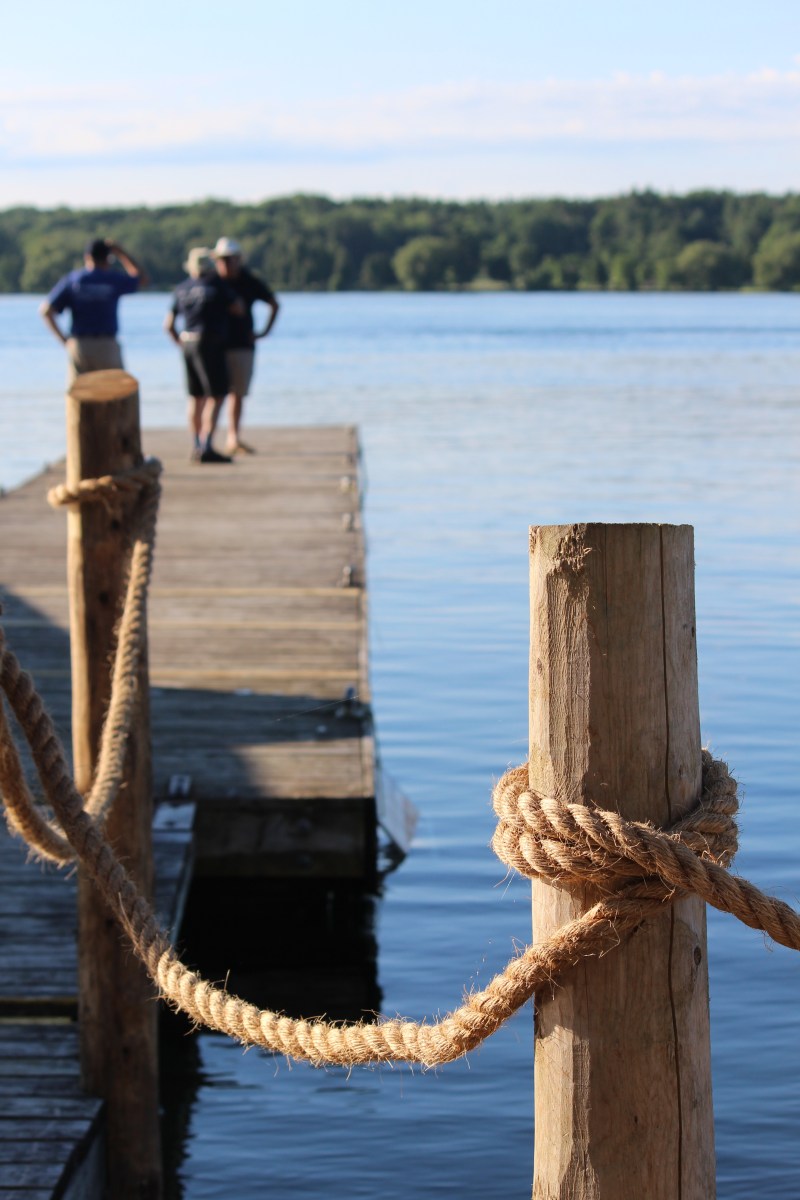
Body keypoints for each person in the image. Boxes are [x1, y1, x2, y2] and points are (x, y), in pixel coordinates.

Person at [165, 247, 243, 464]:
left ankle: (195, 445)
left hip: (187, 342)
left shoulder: (181, 288)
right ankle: (206, 445)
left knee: (195, 397)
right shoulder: (217, 284)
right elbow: (237, 308)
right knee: (217, 395)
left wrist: (180, 344)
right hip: (209, 342)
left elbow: (168, 325)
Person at [40, 238, 148, 383]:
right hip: (107, 345)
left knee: (80, 396)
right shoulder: (112, 279)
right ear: (109, 259)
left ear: (87, 257)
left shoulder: (74, 280)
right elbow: (142, 279)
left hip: (80, 345)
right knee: (114, 395)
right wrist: (121, 253)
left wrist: (65, 341)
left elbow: (46, 311)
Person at [211, 236, 279, 455]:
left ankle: (233, 438)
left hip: (242, 345)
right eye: (222, 259)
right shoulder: (212, 281)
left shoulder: (249, 281)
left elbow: (274, 304)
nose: (227, 263)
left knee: (238, 393)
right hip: (215, 347)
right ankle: (206, 441)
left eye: (231, 259)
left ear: (239, 259)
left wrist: (264, 332)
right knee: (214, 395)